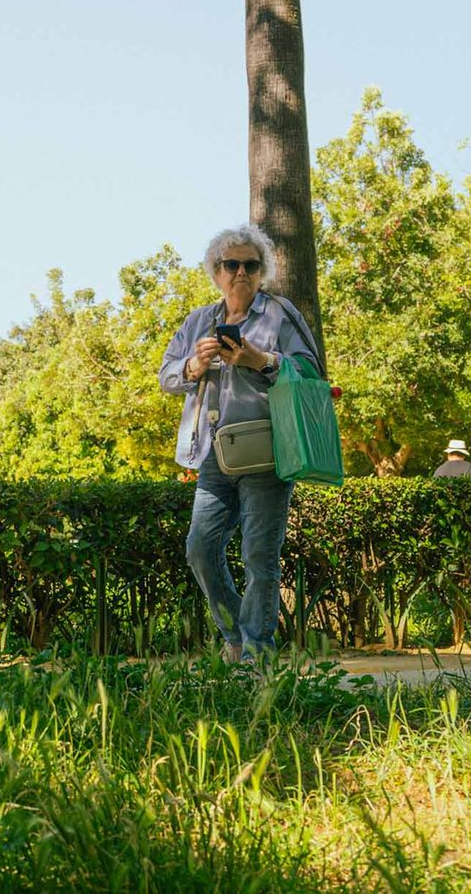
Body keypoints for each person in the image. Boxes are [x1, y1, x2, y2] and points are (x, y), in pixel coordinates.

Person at [158, 224, 320, 664]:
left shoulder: (279, 315)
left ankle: (256, 654)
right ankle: (234, 634)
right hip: (212, 455)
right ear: (217, 272)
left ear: (262, 271)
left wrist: (260, 360)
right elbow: (166, 376)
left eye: (251, 265)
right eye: (232, 265)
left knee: (259, 556)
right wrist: (193, 365)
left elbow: (309, 371)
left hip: (267, 451)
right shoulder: (197, 321)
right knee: (199, 548)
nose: (241, 273)